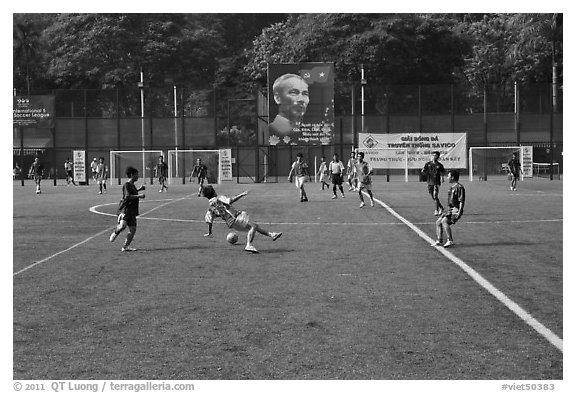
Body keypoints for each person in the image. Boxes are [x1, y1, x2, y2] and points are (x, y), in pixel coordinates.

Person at [201, 185, 282, 254]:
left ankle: (272, 235)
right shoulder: (219, 198)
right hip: (235, 218)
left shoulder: (210, 208)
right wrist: (242, 194)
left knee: (255, 226)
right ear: (214, 192)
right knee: (253, 227)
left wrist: (209, 232)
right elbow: (230, 201)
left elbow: (209, 220)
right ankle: (249, 245)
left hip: (231, 223)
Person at [109, 166, 146, 252]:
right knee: (122, 226)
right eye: (136, 175)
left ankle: (125, 246)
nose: (138, 176)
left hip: (132, 210)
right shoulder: (127, 185)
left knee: (132, 230)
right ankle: (116, 232)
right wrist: (139, 196)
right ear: (132, 175)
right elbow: (127, 196)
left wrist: (139, 189)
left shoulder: (132, 185)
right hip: (125, 209)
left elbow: (132, 193)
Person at [268, 74, 309, 144]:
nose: (301, 99)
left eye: (305, 94)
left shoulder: (309, 132)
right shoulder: (269, 130)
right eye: (294, 93)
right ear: (277, 98)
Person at [431, 170, 465, 248]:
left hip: (455, 210)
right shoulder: (451, 187)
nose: (447, 178)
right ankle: (439, 241)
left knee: (444, 221)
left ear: (452, 177)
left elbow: (461, 200)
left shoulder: (459, 187)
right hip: (450, 210)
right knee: (438, 222)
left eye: (448, 176)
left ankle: (450, 240)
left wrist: (459, 211)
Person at [421, 151, 445, 216]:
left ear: (438, 157)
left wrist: (442, 178)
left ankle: (436, 210)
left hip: (436, 182)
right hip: (429, 182)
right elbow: (423, 171)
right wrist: (423, 172)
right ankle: (441, 207)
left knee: (435, 195)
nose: (434, 157)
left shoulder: (440, 165)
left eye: (435, 156)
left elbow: (442, 172)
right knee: (433, 197)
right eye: (433, 155)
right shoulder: (428, 164)